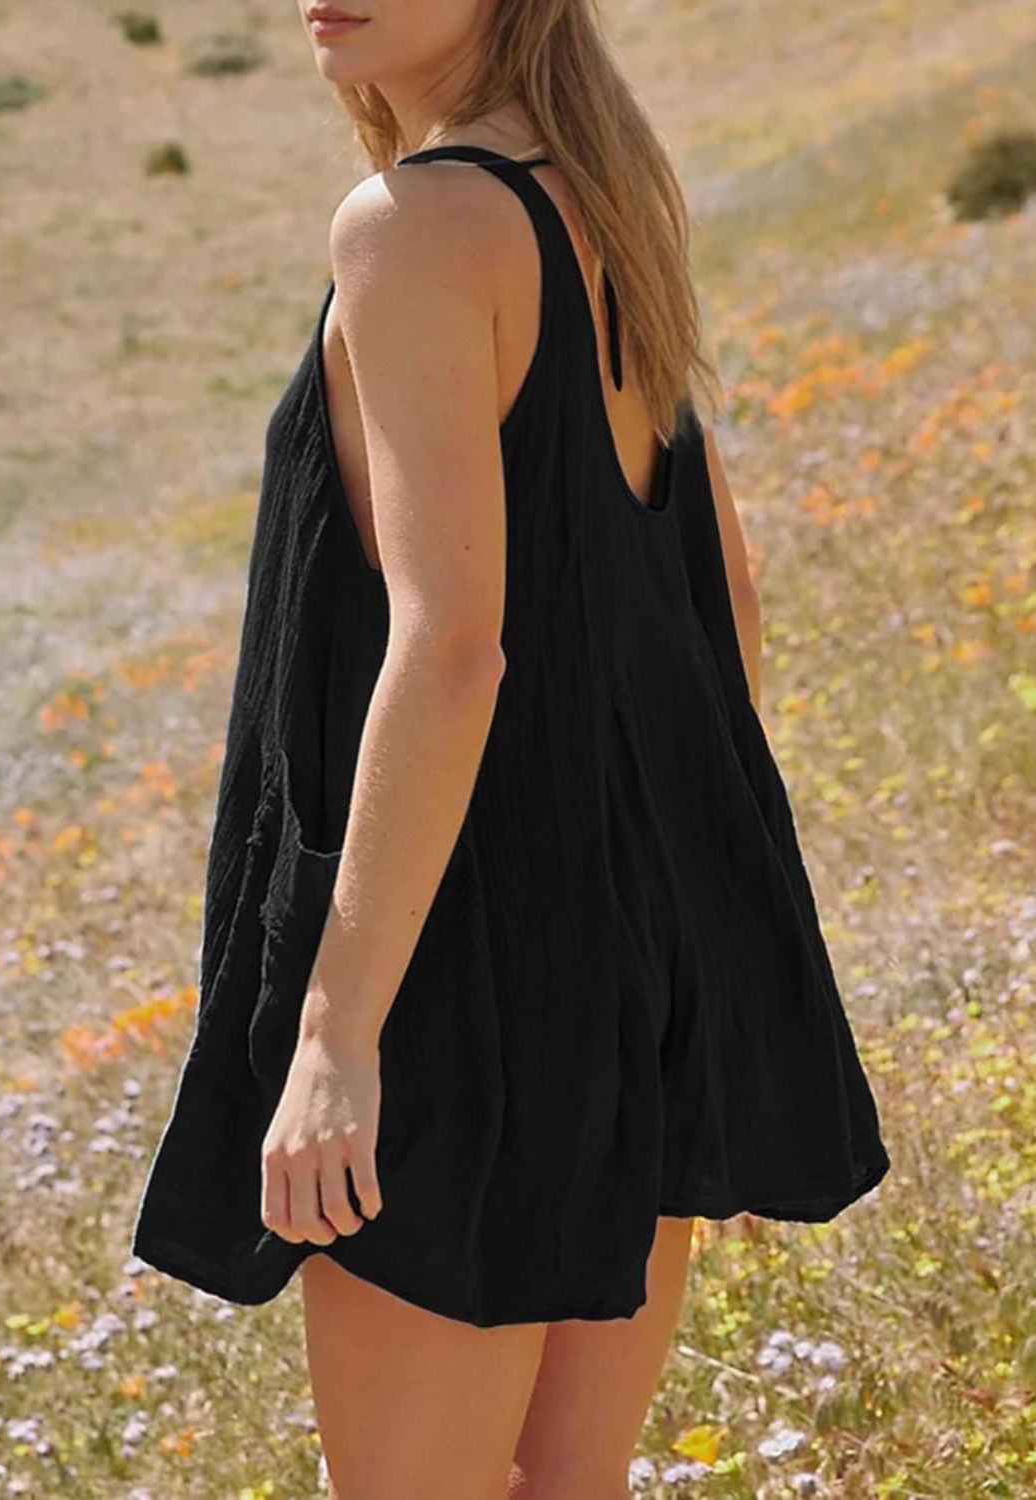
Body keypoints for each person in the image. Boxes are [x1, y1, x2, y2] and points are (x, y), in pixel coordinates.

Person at [131, 3, 892, 1496]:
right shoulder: (606, 197)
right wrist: (686, 936)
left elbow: (450, 648)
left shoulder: (416, 226)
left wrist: (339, 1030)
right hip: (627, 940)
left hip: (457, 966)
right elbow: (721, 602)